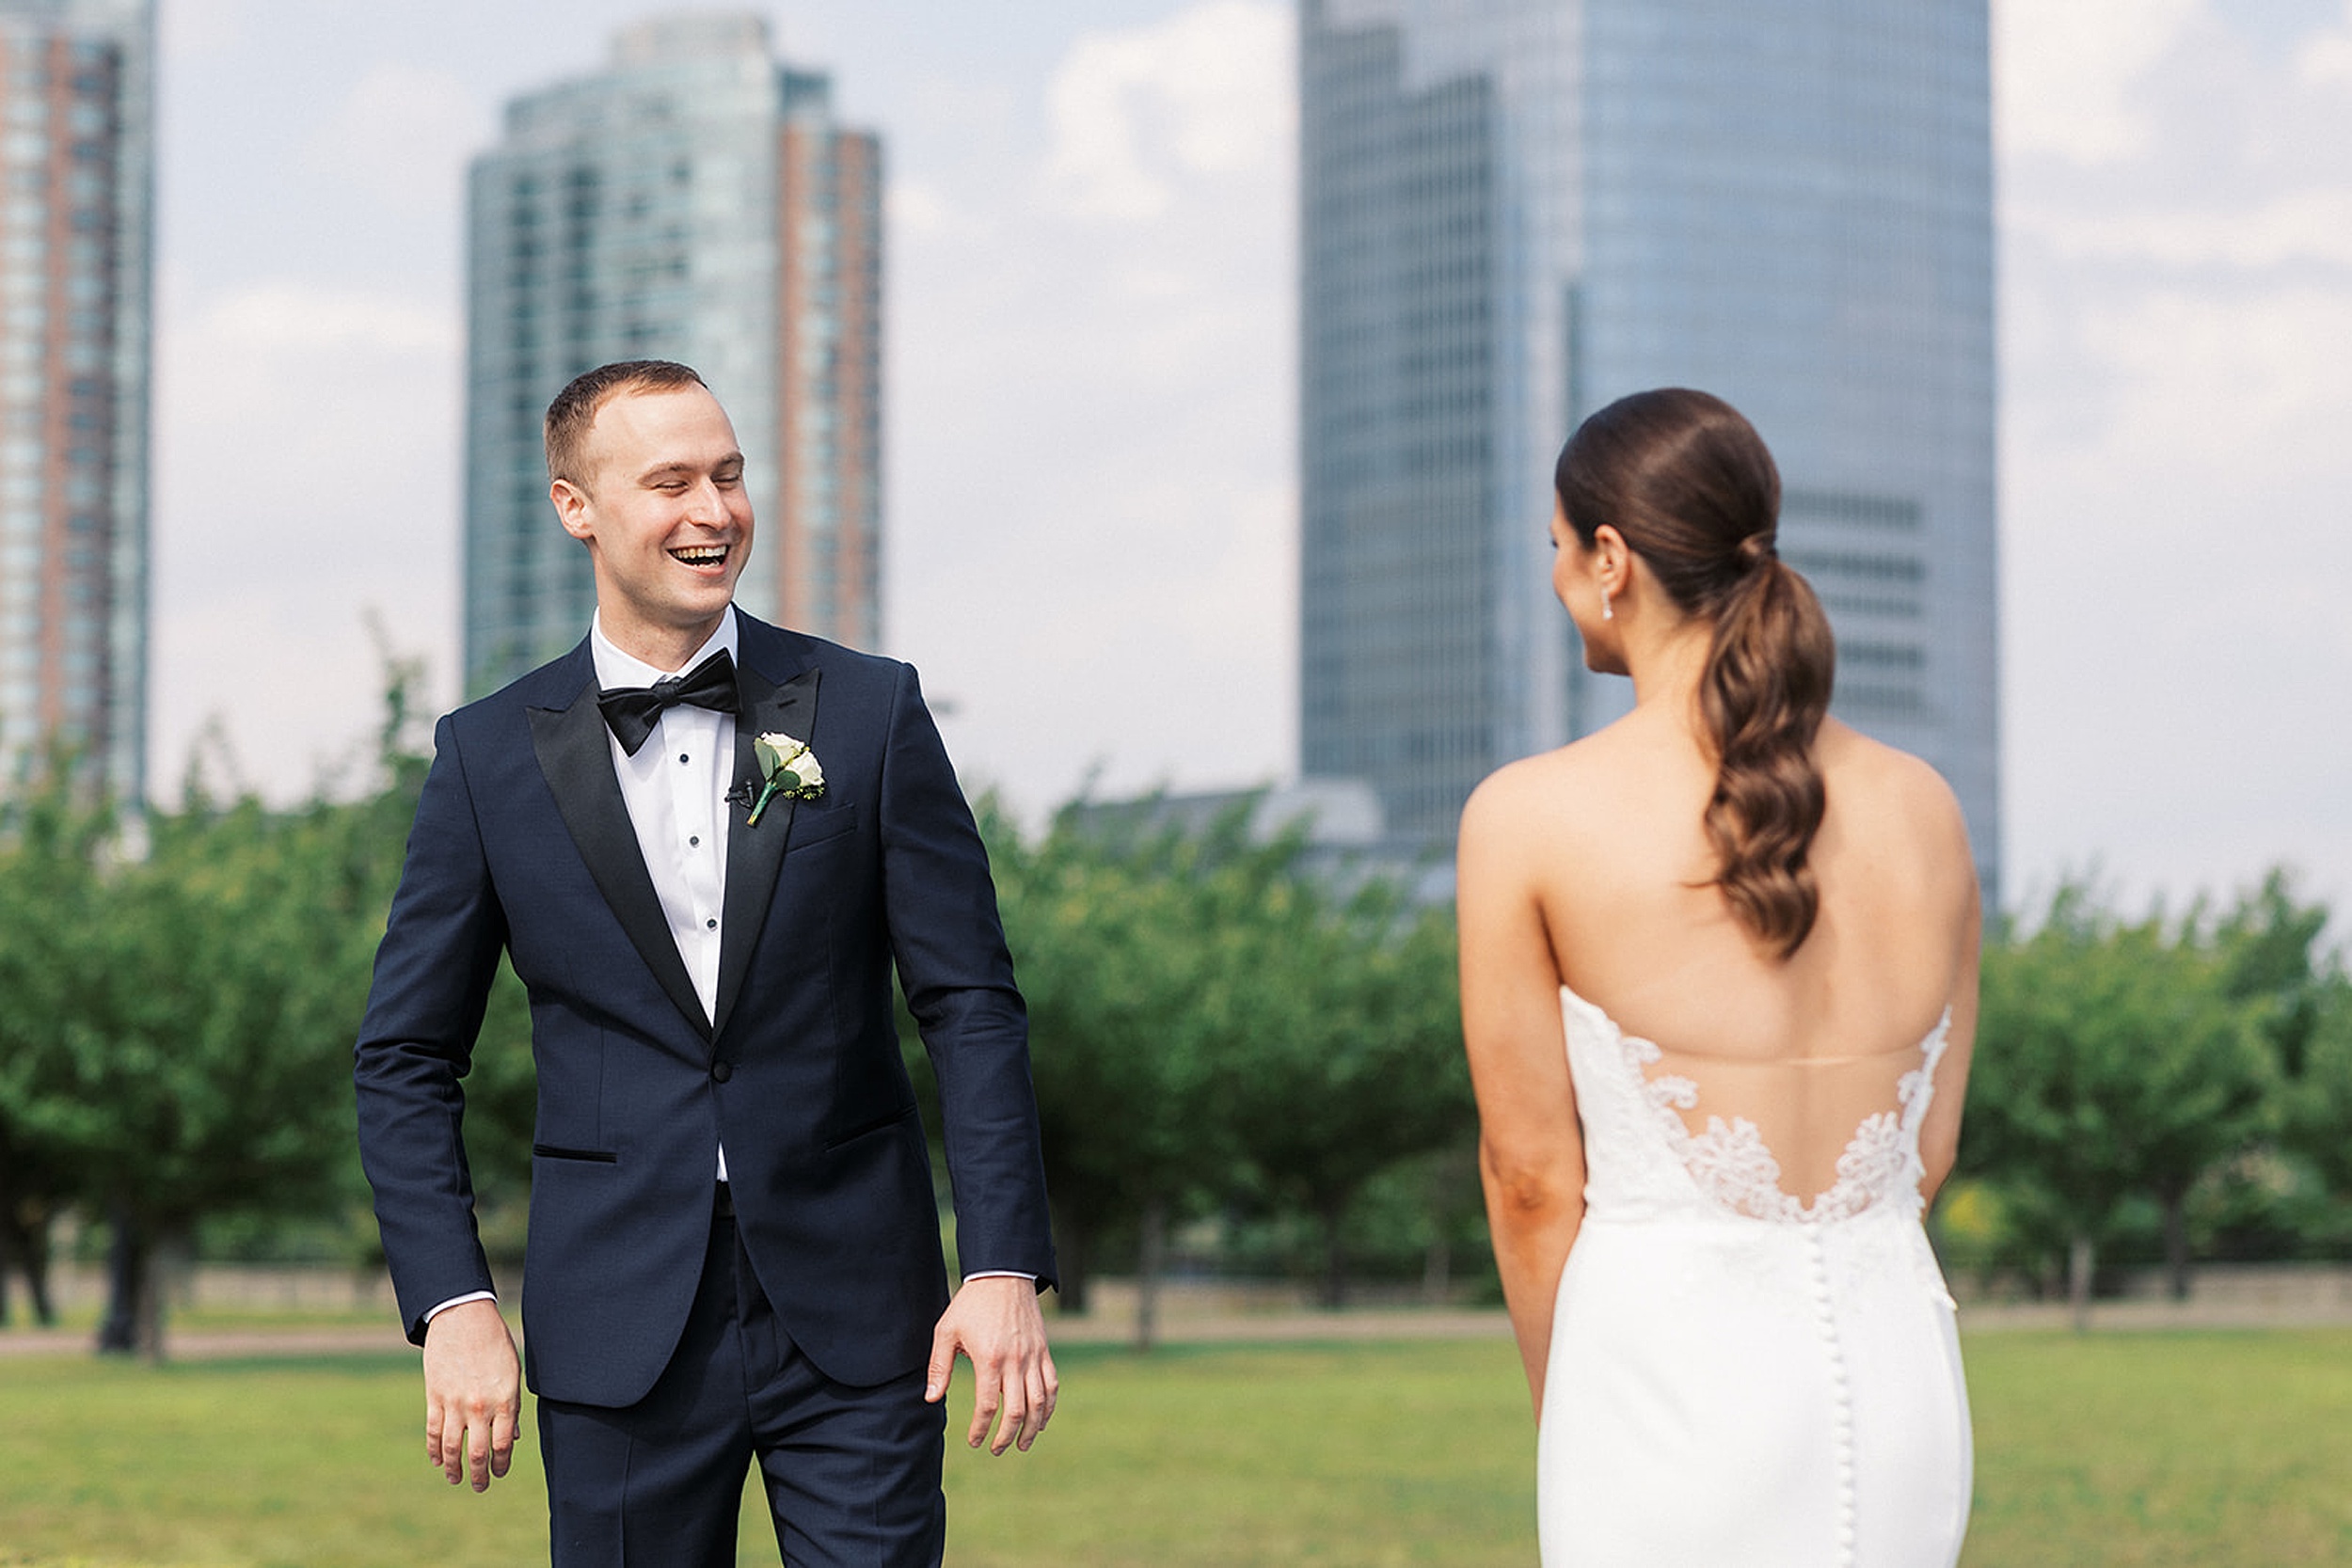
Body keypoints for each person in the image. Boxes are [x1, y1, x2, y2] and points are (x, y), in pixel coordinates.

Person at [354, 359, 1057, 1567]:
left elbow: (970, 1005)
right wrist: (454, 1300)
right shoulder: (483, 757)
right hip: (615, 1324)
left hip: (863, 1311)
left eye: (728, 476)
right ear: (578, 506)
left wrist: (1000, 1261)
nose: (713, 510)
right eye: (670, 481)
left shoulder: (870, 711)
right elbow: (406, 1056)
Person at [1457, 388, 1978, 1567]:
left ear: (1610, 556)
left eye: (1554, 546)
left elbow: (1533, 1180)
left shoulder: (1528, 817)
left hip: (1662, 1387)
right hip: (1899, 1380)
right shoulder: (1923, 808)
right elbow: (1926, 1150)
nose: (1554, 579)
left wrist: (1569, 1413)